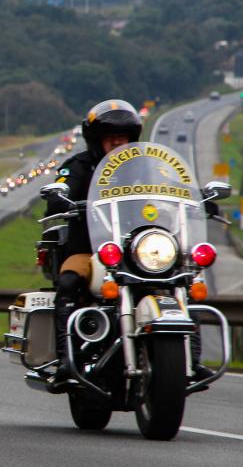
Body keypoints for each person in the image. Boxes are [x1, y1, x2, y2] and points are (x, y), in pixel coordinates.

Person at [48, 99, 211, 383]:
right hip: (92, 250)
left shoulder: (147, 167)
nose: (116, 144)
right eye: (110, 139)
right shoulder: (78, 166)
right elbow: (62, 187)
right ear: (97, 141)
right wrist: (58, 196)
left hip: (140, 249)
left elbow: (176, 186)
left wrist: (201, 199)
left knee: (184, 279)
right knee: (69, 282)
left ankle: (191, 359)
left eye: (122, 138)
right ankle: (66, 359)